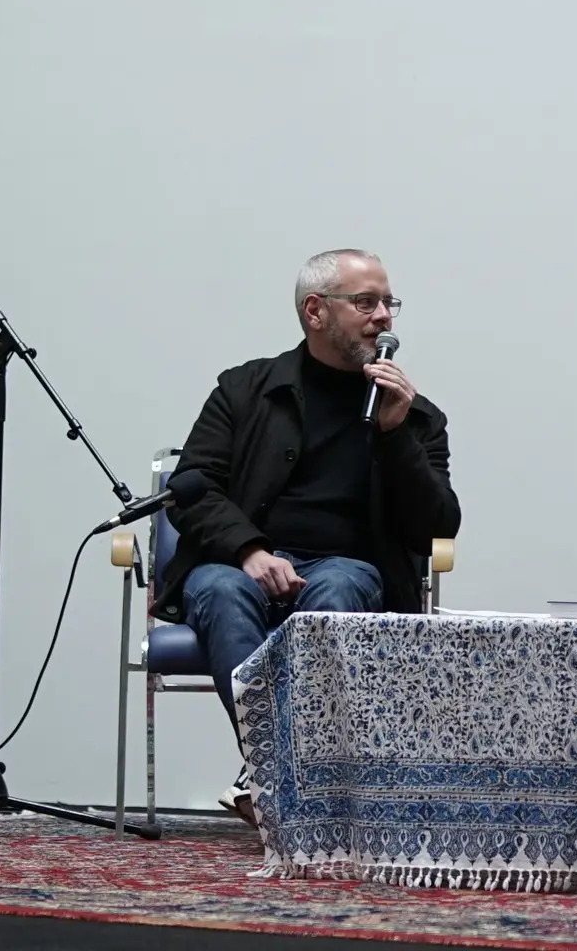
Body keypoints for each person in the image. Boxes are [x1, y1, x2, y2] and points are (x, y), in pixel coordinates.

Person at [155, 249, 462, 824]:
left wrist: (395, 435)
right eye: (366, 303)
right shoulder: (245, 390)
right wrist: (249, 550)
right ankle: (287, 774)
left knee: (338, 586)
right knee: (222, 590)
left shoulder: (417, 417)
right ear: (315, 311)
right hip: (236, 565)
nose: (383, 317)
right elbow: (192, 489)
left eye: (388, 303)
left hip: (347, 570)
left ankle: (270, 777)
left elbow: (437, 527)